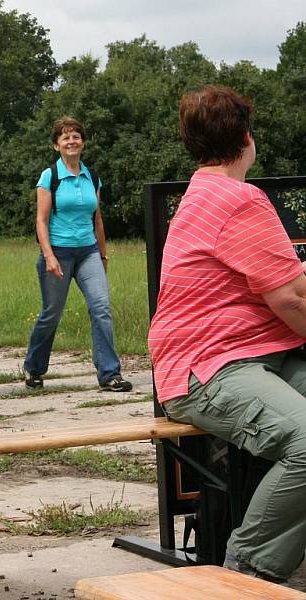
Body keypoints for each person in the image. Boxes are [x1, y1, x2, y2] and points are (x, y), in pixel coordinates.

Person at [149, 85, 306, 583]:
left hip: (254, 355)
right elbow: (293, 300)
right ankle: (246, 574)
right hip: (208, 368)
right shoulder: (238, 199)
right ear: (246, 137)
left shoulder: (201, 192)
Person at [23, 116, 132, 392]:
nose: (71, 141)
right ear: (56, 145)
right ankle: (34, 368)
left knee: (102, 309)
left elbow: (97, 220)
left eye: (76, 136)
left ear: (82, 142)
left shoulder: (92, 177)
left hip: (88, 252)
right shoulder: (51, 176)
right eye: (65, 137)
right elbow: (41, 220)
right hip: (58, 252)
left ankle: (109, 374)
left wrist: (103, 256)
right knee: (52, 313)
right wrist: (48, 256)